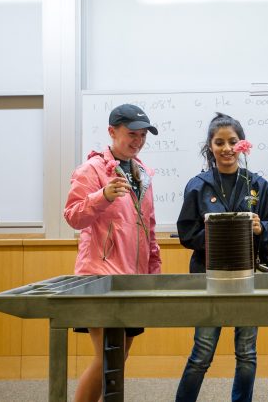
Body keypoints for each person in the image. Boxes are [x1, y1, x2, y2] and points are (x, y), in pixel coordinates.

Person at [175, 112, 268, 402]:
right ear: (209, 146)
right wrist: (223, 236)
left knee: (247, 353)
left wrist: (262, 228)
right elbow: (187, 232)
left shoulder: (258, 185)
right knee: (202, 352)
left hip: (249, 279)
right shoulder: (197, 186)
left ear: (242, 145)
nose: (226, 148)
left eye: (232, 142)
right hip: (209, 280)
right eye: (219, 142)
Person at [63, 103, 162, 402]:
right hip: (100, 277)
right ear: (111, 131)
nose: (138, 141)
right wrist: (102, 196)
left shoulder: (142, 172)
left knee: (119, 358)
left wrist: (153, 272)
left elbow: (149, 226)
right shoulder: (90, 170)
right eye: (132, 133)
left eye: (143, 135)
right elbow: (73, 217)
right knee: (105, 357)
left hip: (133, 279)